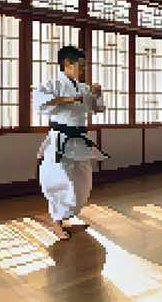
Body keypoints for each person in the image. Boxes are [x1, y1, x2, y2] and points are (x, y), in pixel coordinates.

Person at [33, 46, 108, 240]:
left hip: (79, 140)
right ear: (67, 63)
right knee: (59, 180)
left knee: (82, 182)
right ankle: (56, 223)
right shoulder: (52, 85)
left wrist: (97, 94)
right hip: (60, 139)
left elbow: (97, 109)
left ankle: (68, 216)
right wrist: (73, 98)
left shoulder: (83, 87)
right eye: (81, 65)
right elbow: (40, 103)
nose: (83, 69)